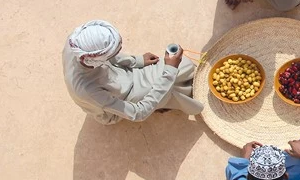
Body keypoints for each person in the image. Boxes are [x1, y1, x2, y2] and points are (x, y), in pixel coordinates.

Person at [62, 20, 204, 125]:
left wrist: (137, 60)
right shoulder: (88, 90)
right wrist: (169, 71)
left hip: (122, 75)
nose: (120, 49)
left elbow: (111, 56)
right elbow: (138, 113)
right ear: (97, 59)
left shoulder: (77, 42)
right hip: (121, 99)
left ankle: (163, 95)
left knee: (184, 65)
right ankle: (162, 102)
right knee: (168, 85)